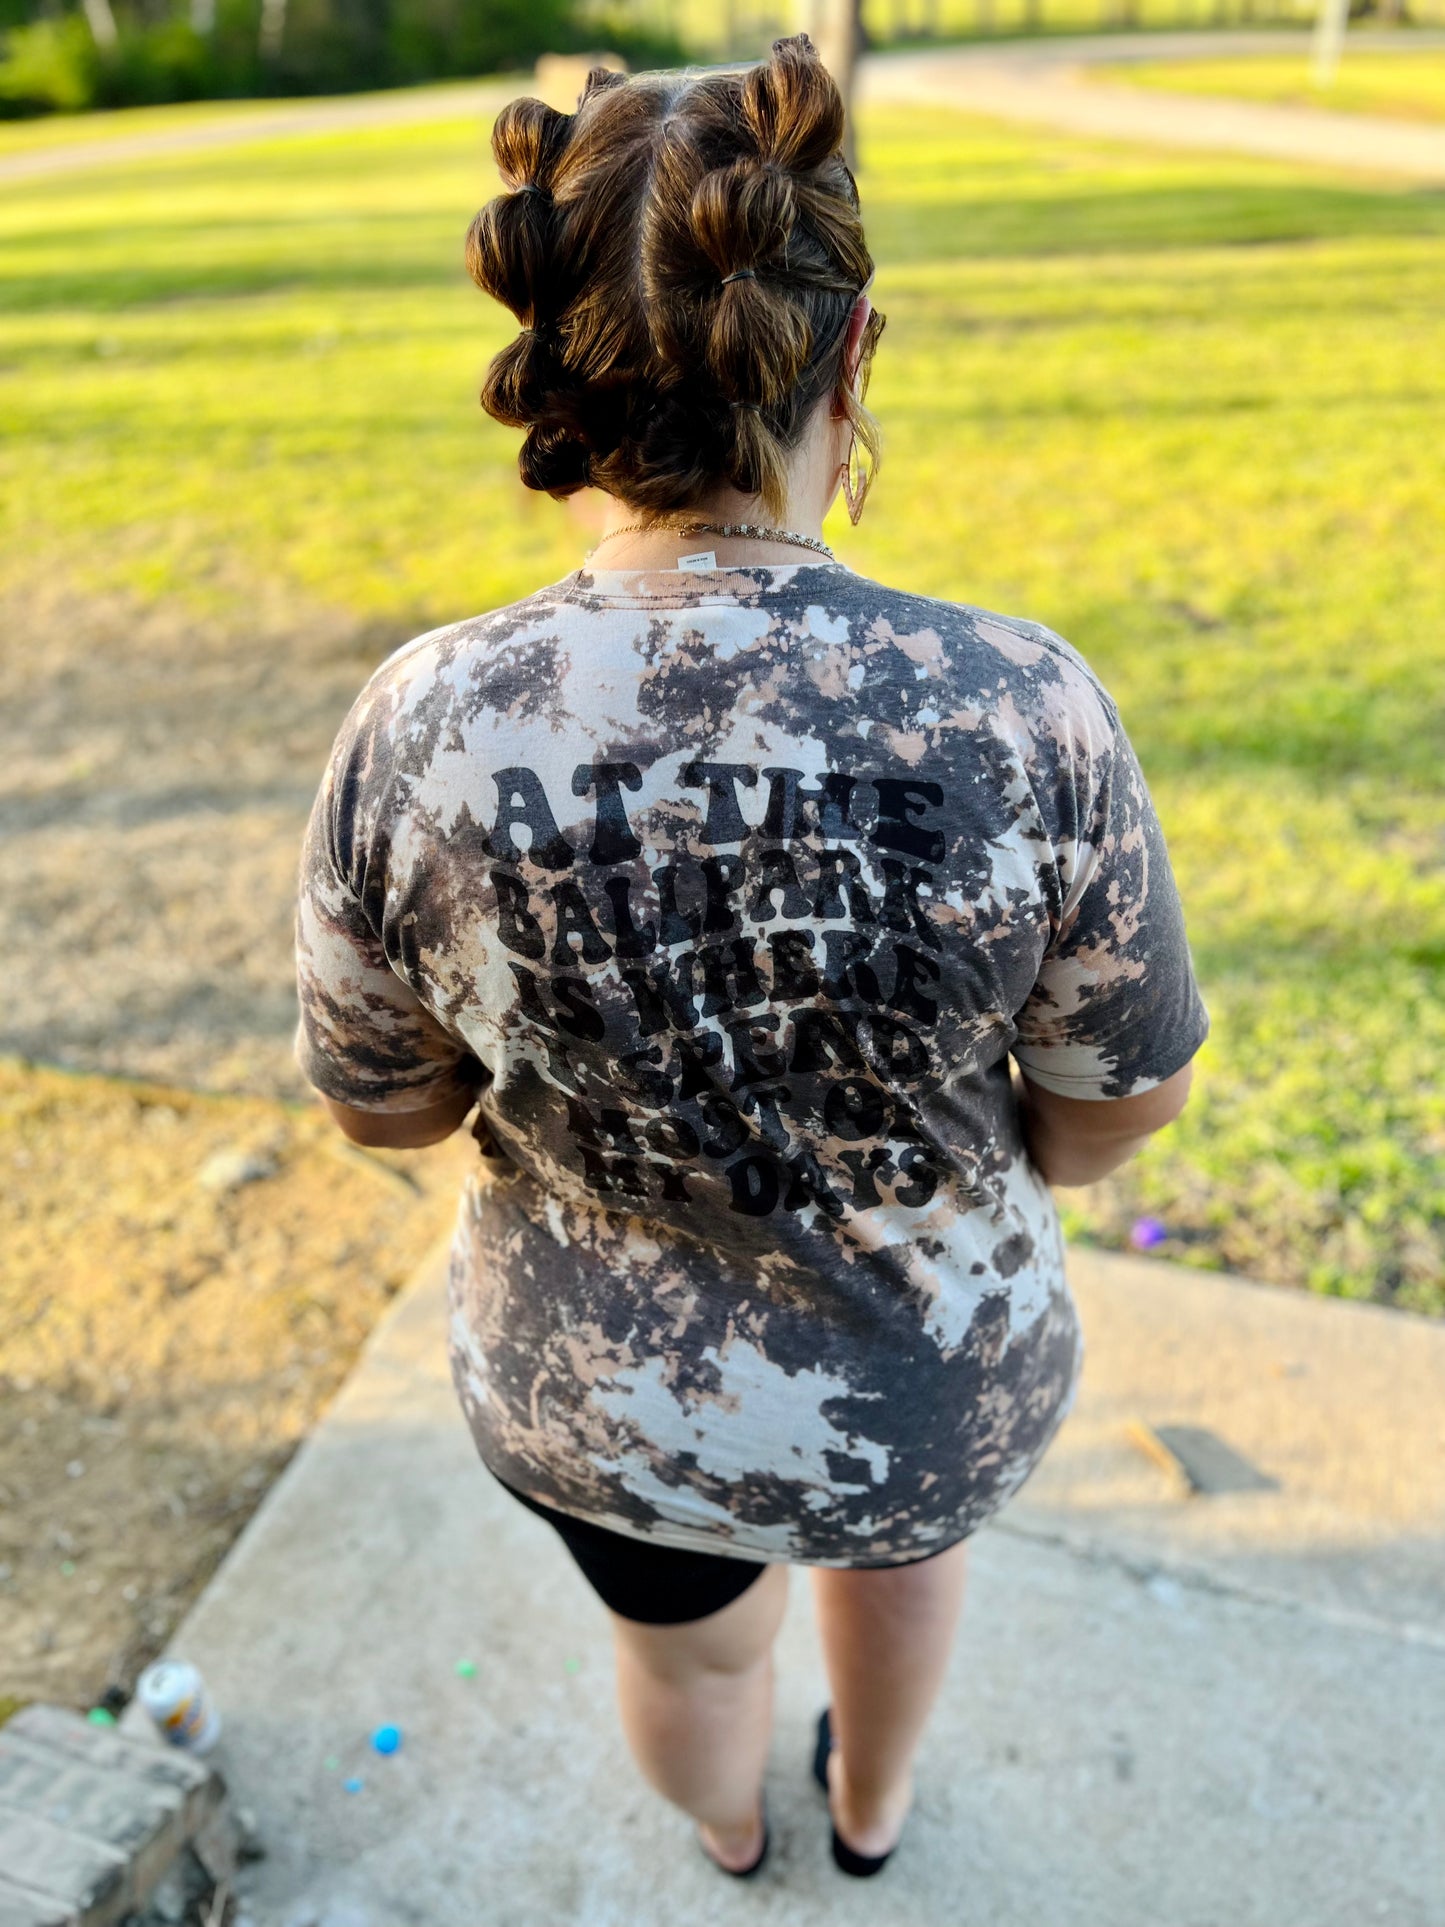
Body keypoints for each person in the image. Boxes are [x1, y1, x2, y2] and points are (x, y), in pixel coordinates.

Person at [293, 34, 1209, 1882]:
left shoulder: (422, 726)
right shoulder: (1021, 707)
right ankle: (867, 1813)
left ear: (550, 370)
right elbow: (1125, 1093)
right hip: (926, 1378)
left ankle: (729, 1831)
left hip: (595, 1405)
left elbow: (383, 1108)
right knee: (901, 1574)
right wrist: (979, 1160)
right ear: (852, 353)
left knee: (686, 1659)